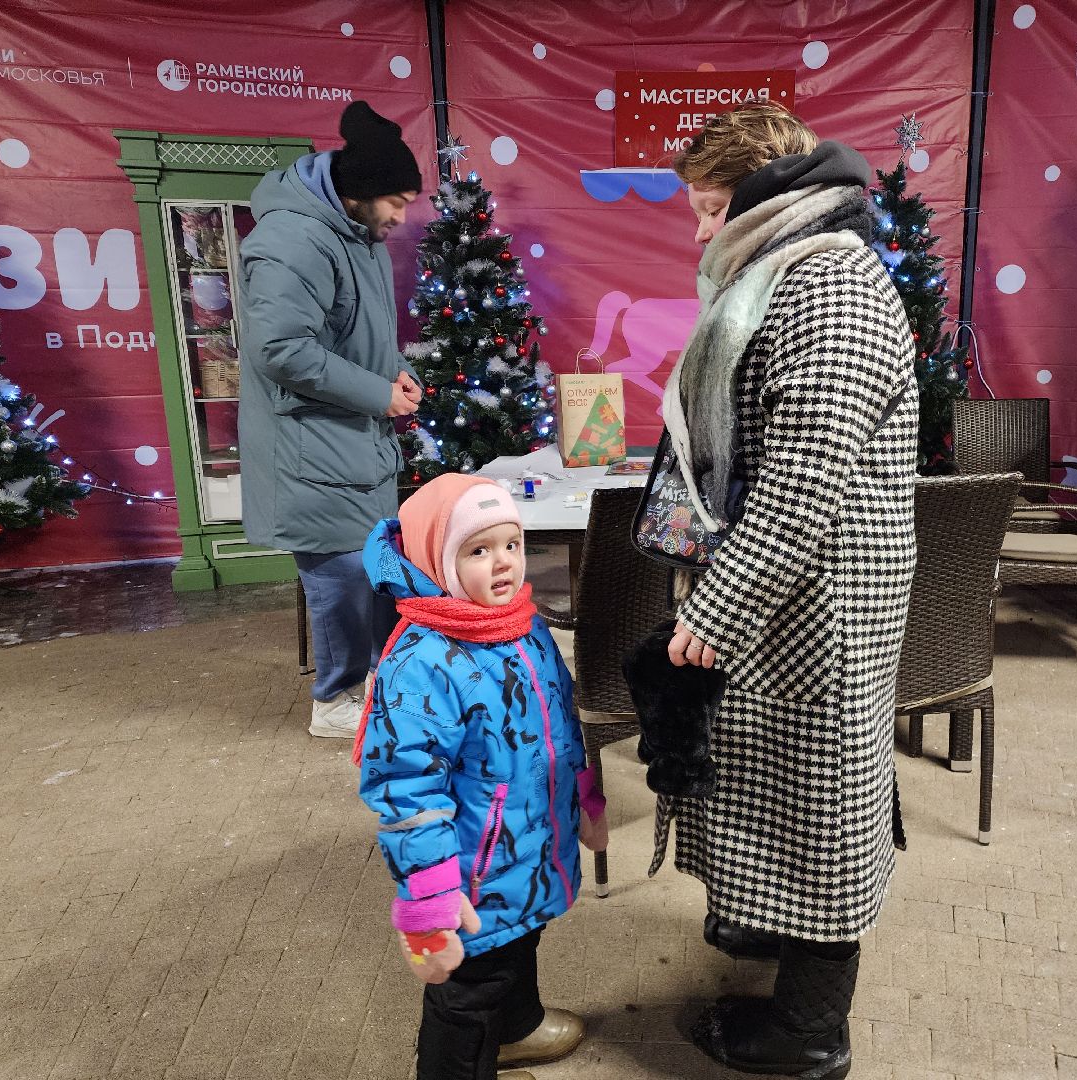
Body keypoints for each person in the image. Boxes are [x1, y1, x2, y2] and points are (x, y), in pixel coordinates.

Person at [661, 103, 919, 1078]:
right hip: (793, 600)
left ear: (765, 195)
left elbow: (802, 485)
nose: (698, 231)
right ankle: (768, 941)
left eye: (709, 207)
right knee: (783, 791)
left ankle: (810, 1037)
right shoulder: (790, 271)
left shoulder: (830, 289)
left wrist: (714, 610)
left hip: (818, 610)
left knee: (822, 812)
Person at [353, 475, 608, 1080]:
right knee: (468, 992)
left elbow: (560, 729)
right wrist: (431, 894)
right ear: (438, 561)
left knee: (521, 943)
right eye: (477, 550)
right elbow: (405, 790)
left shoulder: (524, 625)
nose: (502, 564)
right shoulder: (421, 662)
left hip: (531, 849)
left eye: (511, 545)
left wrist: (584, 799)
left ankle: (516, 1028)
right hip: (470, 872)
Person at [239, 100, 425, 737]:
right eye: (397, 200)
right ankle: (335, 700)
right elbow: (282, 349)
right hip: (310, 446)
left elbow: (362, 334)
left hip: (349, 441)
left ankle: (373, 680)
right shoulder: (291, 241)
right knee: (339, 577)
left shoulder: (356, 234)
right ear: (361, 191)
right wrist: (377, 394)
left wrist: (394, 373)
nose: (402, 217)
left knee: (370, 567)